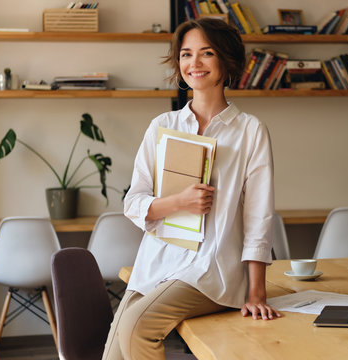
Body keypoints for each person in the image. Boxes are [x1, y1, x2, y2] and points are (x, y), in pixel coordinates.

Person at [102, 18, 280, 360]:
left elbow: (259, 218)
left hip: (212, 271)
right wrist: (177, 202)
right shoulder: (163, 126)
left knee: (138, 327)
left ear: (226, 60)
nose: (193, 64)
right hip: (156, 264)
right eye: (186, 54)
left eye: (206, 53)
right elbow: (133, 201)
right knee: (114, 355)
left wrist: (257, 292)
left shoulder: (250, 131)